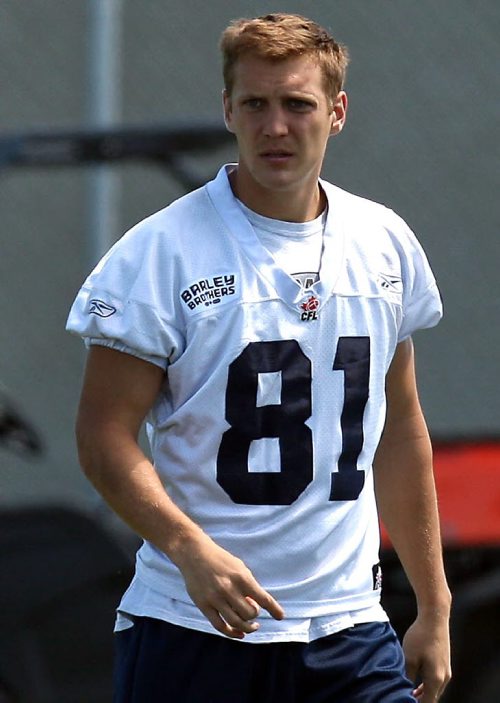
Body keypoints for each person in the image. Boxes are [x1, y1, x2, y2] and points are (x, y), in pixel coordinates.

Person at [67, 12, 451, 703]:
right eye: (255, 104)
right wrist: (188, 549)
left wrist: (434, 603)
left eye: (297, 104)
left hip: (348, 630)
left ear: (336, 112)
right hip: (195, 626)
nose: (276, 126)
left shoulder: (384, 242)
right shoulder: (160, 252)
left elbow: (398, 428)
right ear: (228, 110)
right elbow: (102, 435)